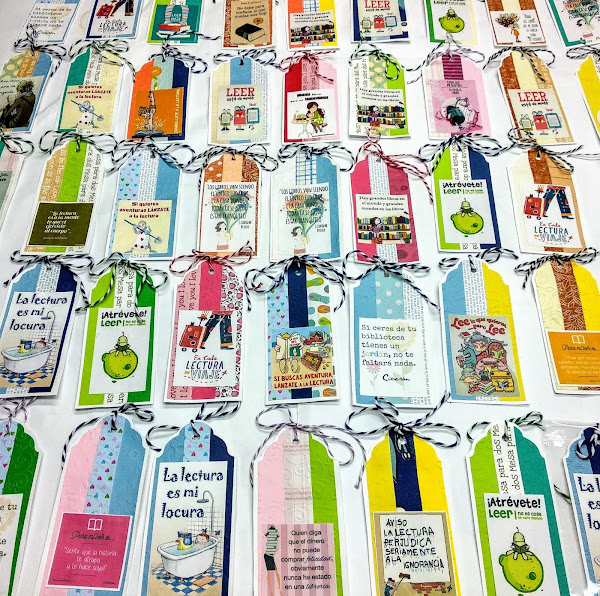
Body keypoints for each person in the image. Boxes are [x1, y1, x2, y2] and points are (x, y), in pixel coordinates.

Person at [264, 526, 283, 596]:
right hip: (269, 556)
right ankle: (272, 592)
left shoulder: (274, 541)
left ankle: (278, 591)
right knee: (272, 573)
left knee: (276, 574)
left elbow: (275, 549)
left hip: (270, 556)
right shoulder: (272, 542)